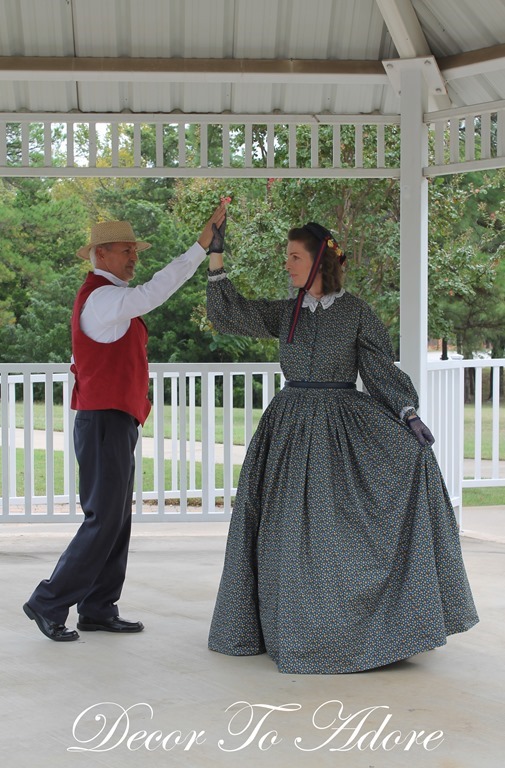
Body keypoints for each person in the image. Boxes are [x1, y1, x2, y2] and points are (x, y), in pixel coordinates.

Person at [206, 219, 479, 674]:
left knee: (336, 536)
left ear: (319, 261)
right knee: (286, 536)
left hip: (340, 431)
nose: (287, 264)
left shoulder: (355, 312)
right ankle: (290, 630)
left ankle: (362, 630)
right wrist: (216, 255)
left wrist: (407, 413)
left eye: (295, 257)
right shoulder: (287, 310)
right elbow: (230, 313)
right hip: (289, 431)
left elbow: (378, 370)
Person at [23, 204, 226, 642]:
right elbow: (156, 291)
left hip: (112, 420)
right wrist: (198, 247)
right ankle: (48, 601)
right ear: (100, 254)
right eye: (125, 250)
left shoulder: (106, 296)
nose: (135, 257)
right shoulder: (103, 298)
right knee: (104, 518)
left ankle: (97, 607)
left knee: (115, 518)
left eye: (136, 250)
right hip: (102, 420)